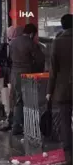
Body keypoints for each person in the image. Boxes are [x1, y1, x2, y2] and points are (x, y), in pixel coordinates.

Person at [9, 23, 45, 135]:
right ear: (32, 33)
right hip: (26, 74)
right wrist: (37, 71)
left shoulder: (13, 42)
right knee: (28, 101)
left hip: (14, 73)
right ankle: (28, 126)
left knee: (17, 100)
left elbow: (9, 58)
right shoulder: (30, 43)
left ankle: (16, 125)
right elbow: (40, 59)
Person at [47, 14, 73, 164]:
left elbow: (53, 70)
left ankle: (69, 152)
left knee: (64, 122)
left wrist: (49, 91)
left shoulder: (57, 42)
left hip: (62, 89)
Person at [0, 26, 24, 132]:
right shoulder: (16, 45)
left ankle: (11, 122)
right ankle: (15, 123)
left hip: (8, 76)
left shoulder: (7, 45)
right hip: (13, 75)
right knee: (16, 99)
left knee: (11, 100)